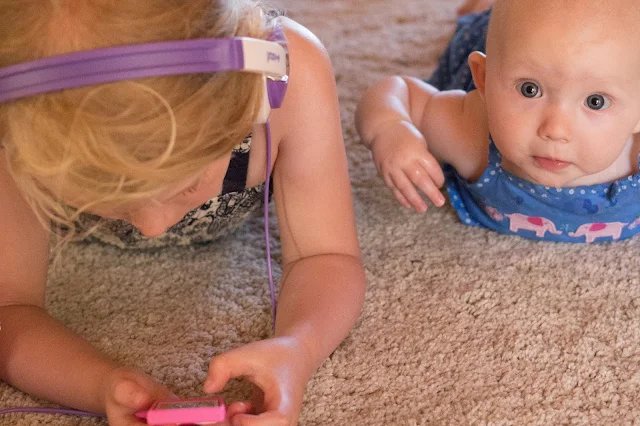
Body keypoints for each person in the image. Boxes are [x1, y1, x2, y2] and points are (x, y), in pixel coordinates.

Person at [0, 1, 366, 425]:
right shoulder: (20, 124)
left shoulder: (284, 78)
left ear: (250, 106)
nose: (152, 226)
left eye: (187, 183)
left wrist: (299, 348)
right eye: (102, 196)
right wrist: (100, 385)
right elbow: (8, 307)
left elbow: (326, 256)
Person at [356, 0, 640, 243]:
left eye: (596, 101)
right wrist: (389, 128)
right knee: (488, 27)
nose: (555, 130)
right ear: (484, 78)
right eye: (530, 89)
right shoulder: (470, 133)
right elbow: (400, 92)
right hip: (502, 44)